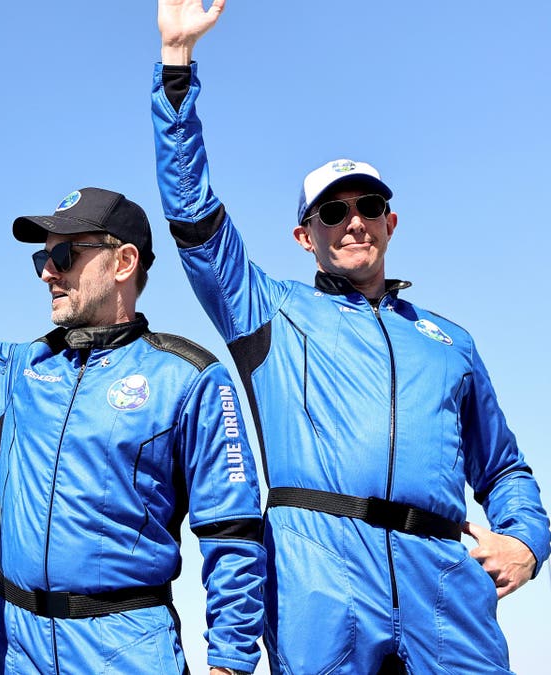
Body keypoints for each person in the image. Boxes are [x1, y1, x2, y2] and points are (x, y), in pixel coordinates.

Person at [151, 2, 551, 672]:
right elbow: (192, 216)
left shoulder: (449, 343)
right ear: (305, 237)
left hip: (446, 590)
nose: (353, 221)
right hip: (320, 584)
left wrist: (528, 541)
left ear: (391, 222)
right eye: (333, 211)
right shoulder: (267, 313)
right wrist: (176, 70)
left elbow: (504, 466)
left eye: (368, 206)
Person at [0, 136, 265, 675]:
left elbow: (232, 534)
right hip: (12, 649)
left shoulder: (189, 378)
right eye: (42, 258)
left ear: (124, 262)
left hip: (126, 649)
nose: (48, 272)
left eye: (63, 254)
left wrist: (230, 663)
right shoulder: (18, 372)